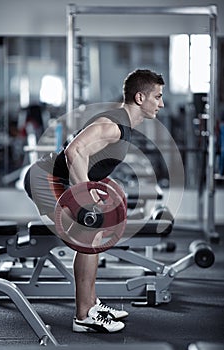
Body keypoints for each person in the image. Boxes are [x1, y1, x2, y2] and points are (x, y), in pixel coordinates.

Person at [24, 68, 165, 333]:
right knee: (89, 233)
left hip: (58, 179)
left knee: (95, 234)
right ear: (139, 97)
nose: (161, 103)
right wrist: (84, 194)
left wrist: (102, 186)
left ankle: (91, 304)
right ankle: (83, 316)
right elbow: (74, 150)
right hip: (45, 179)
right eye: (157, 97)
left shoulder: (123, 125)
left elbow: (88, 159)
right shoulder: (113, 125)